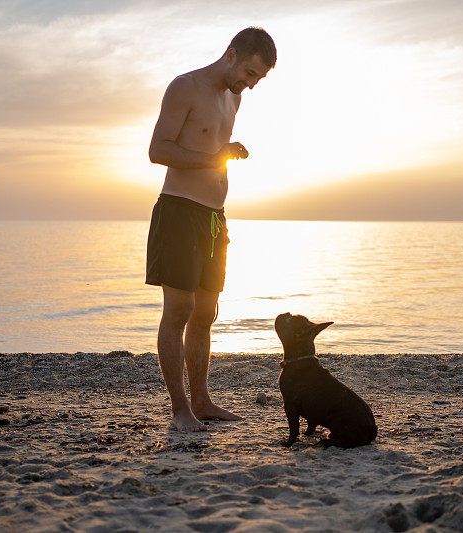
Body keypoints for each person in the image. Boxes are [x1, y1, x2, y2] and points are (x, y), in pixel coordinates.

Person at [146, 28, 276, 431]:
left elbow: (212, 148)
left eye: (259, 79)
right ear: (231, 54)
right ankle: (179, 409)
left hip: (214, 218)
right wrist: (214, 157)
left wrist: (226, 154)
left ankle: (202, 402)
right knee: (179, 311)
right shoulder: (185, 87)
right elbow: (158, 150)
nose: (251, 84)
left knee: (206, 314)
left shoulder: (233, 97)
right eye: (250, 72)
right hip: (180, 211)